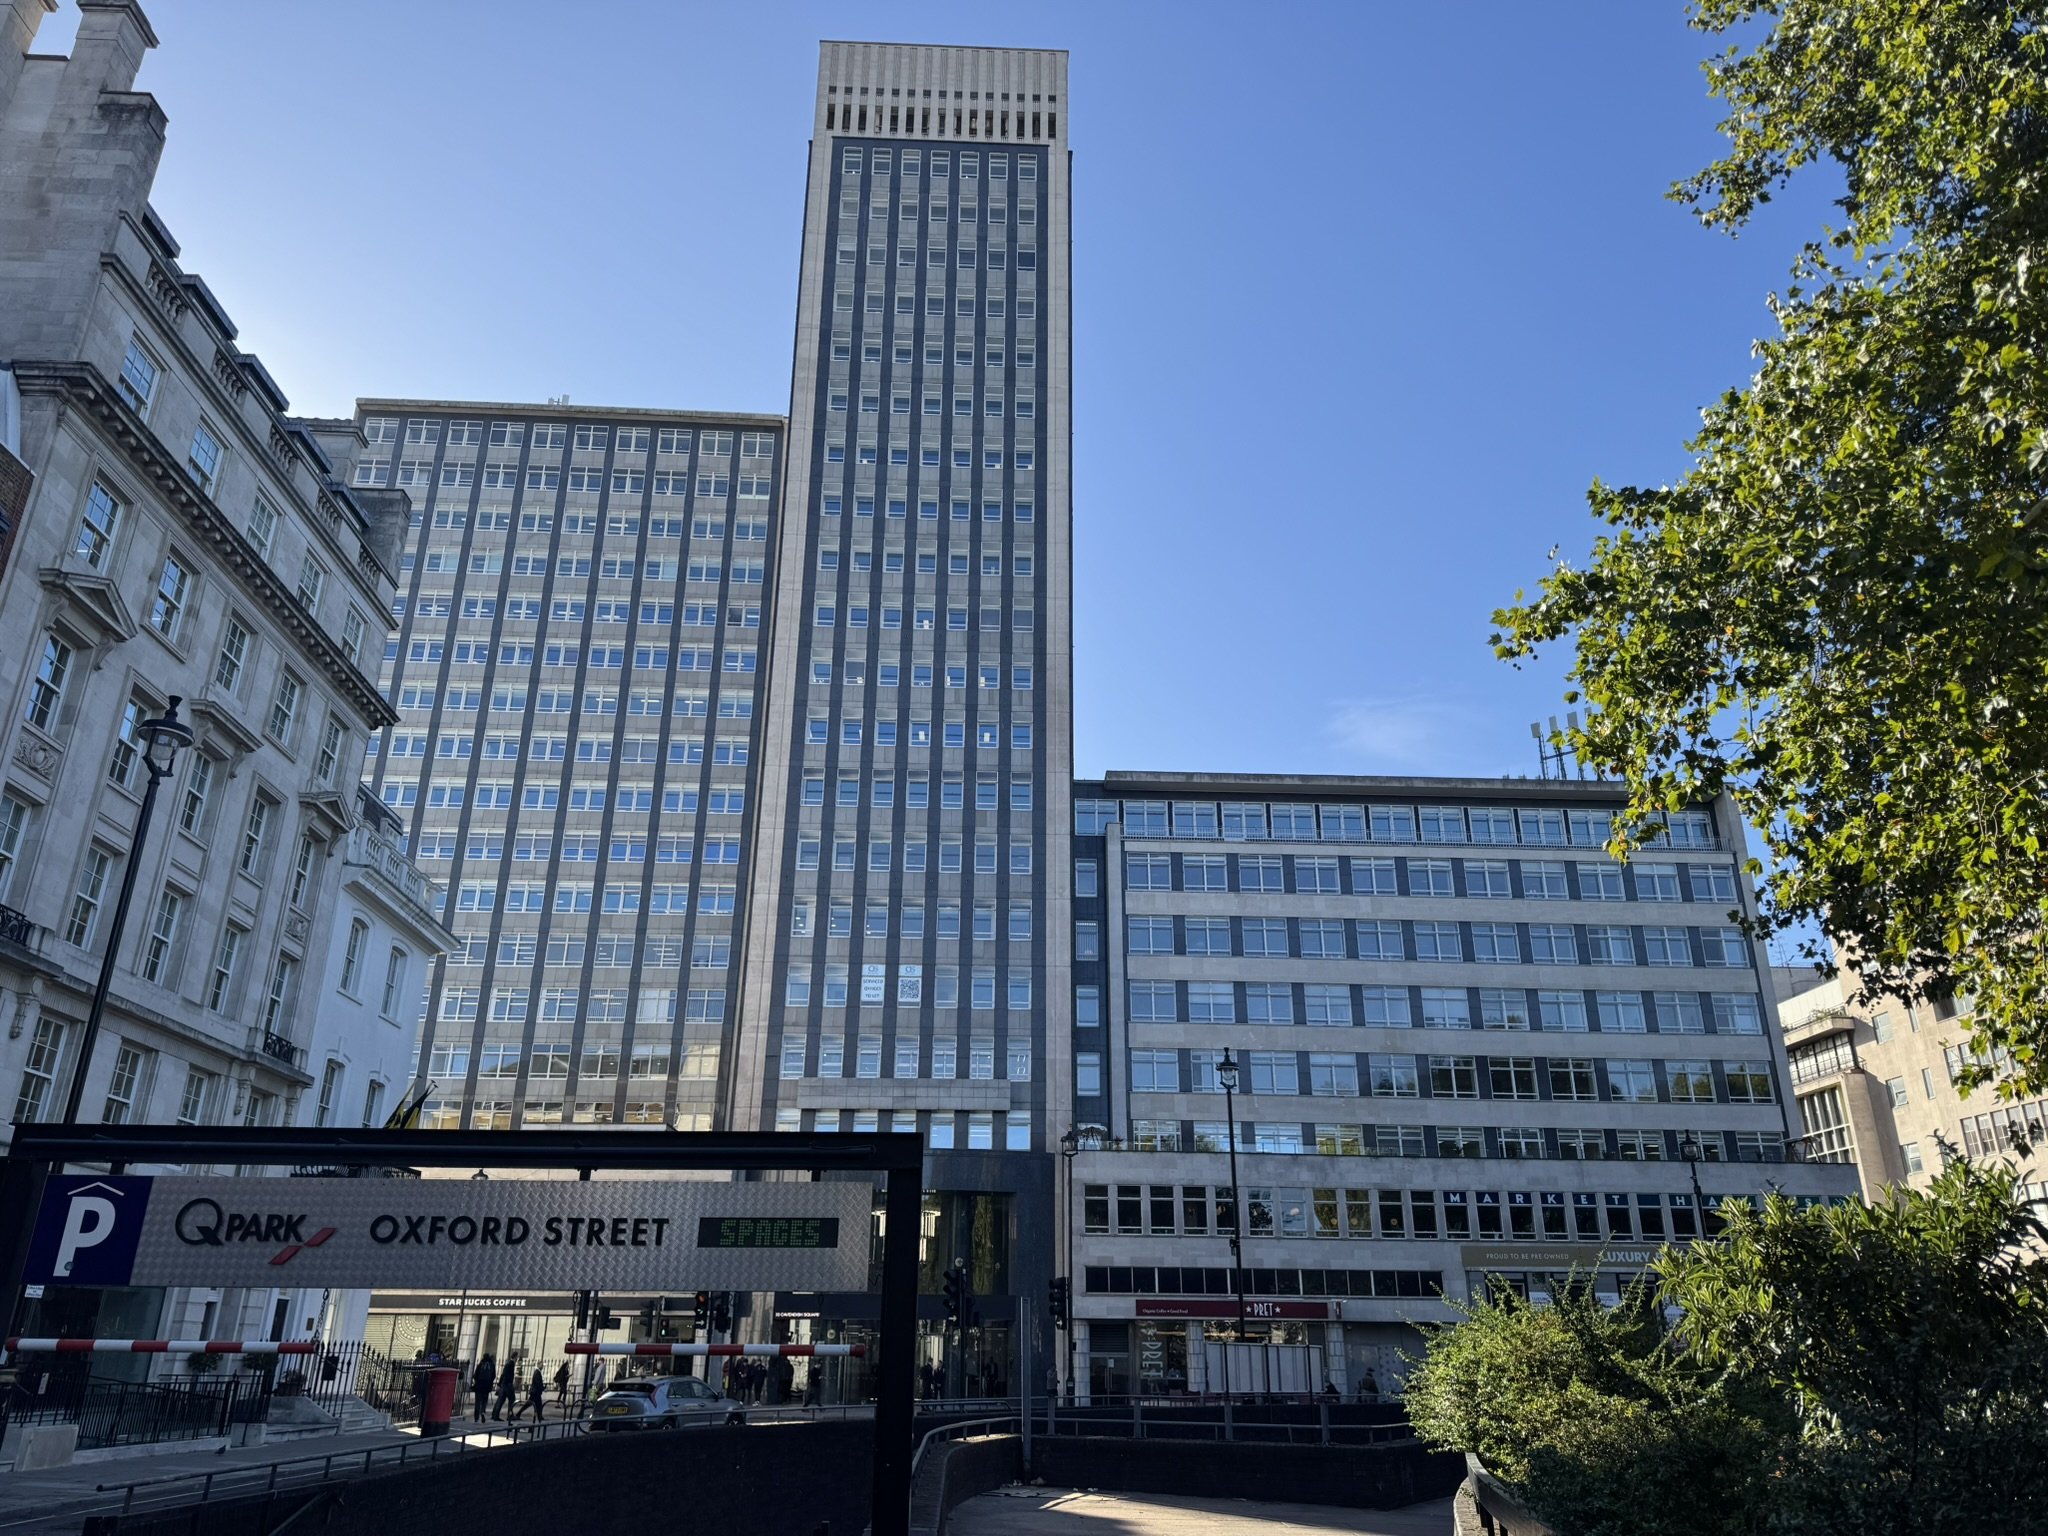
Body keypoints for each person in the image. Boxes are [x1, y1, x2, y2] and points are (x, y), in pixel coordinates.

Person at [471, 1354, 496, 1422]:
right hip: (487, 1386)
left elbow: (476, 1375)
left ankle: (476, 1417)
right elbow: (493, 1376)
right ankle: (482, 1412)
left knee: (478, 1401)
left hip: (479, 1385)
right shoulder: (492, 1365)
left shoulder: (481, 1364)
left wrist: (476, 1381)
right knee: (484, 1401)